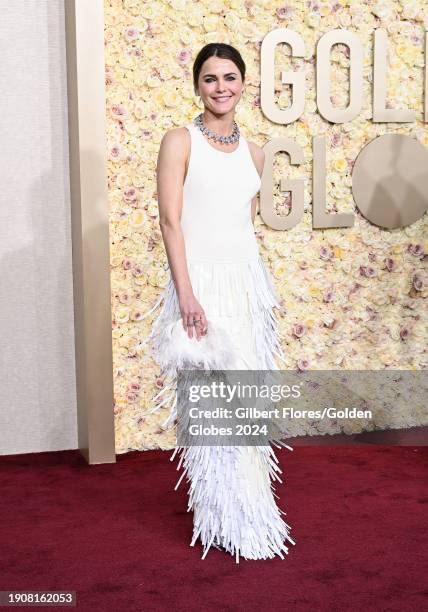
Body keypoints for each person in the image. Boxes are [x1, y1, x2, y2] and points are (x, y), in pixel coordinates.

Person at [141, 43, 296, 562]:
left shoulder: (256, 153)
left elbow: (241, 223)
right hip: (199, 287)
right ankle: (218, 515)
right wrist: (187, 294)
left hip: (245, 287)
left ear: (244, 84)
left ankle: (251, 514)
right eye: (210, 79)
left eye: (230, 77)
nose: (221, 87)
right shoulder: (179, 141)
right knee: (210, 410)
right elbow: (171, 220)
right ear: (197, 86)